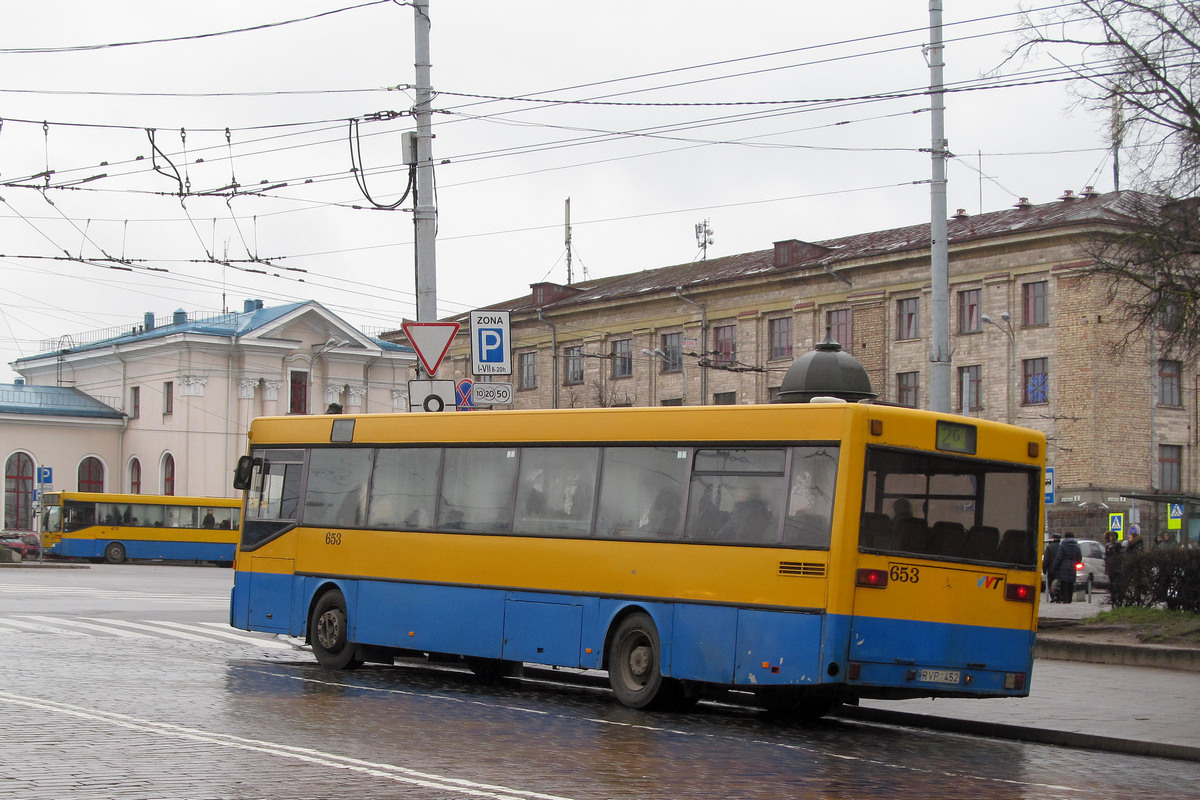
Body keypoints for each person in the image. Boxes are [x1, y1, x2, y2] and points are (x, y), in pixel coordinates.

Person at [1049, 534, 1082, 603]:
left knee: (1064, 583)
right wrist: (1076, 562)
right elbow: (1079, 556)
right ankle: (1070, 599)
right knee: (1071, 583)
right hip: (1072, 566)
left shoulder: (1063, 545)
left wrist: (1055, 566)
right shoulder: (1076, 546)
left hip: (1063, 566)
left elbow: (1059, 557)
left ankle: (1065, 599)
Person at [1042, 534, 1062, 601]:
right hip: (1060, 569)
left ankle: (1053, 597)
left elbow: (1046, 559)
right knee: (1059, 583)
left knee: (1050, 583)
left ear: (1053, 539)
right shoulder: (1061, 547)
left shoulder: (1049, 547)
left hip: (1051, 569)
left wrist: (1044, 569)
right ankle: (1059, 596)